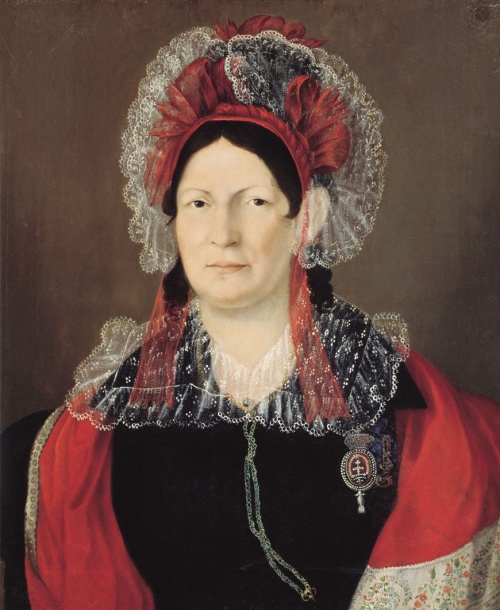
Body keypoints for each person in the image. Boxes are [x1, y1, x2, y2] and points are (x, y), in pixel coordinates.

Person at [1, 15, 498, 610]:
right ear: (173, 219)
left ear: (307, 217)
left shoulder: (400, 403)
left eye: (255, 201)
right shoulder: (99, 427)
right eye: (199, 203)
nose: (223, 234)